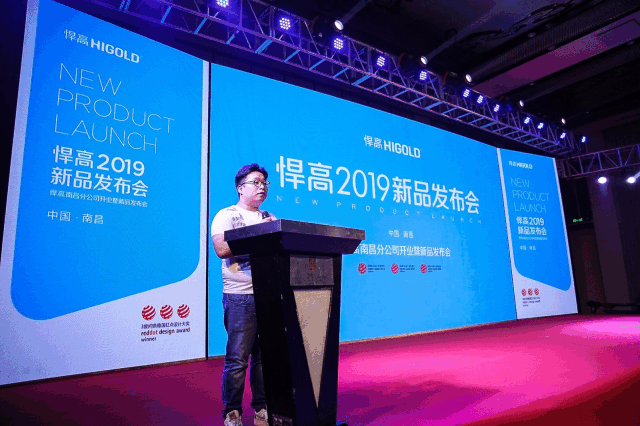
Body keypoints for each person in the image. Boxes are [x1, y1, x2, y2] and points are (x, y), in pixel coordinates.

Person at [211, 163, 276, 426]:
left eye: (265, 183)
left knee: (263, 358)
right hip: (240, 296)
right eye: (256, 182)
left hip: (268, 294)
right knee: (238, 359)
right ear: (240, 188)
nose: (262, 187)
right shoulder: (227, 215)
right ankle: (232, 413)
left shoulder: (268, 216)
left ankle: (262, 409)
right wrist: (261, 232)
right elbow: (221, 249)